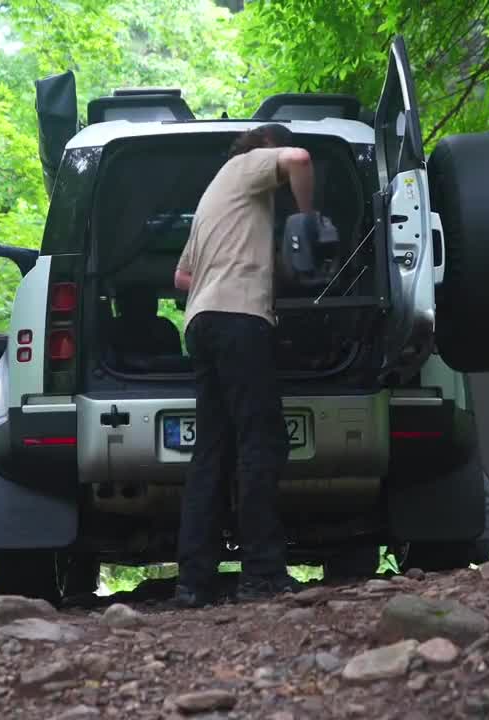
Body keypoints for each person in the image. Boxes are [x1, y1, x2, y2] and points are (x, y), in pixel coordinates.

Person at [171, 123, 317, 607]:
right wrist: (307, 219)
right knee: (262, 442)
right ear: (264, 147)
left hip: (203, 322)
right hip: (239, 320)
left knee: (211, 450)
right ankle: (262, 572)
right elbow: (299, 159)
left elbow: (181, 275)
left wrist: (268, 263)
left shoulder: (216, 195)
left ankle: (194, 581)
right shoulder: (249, 163)